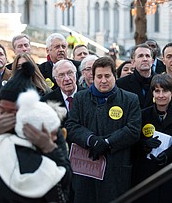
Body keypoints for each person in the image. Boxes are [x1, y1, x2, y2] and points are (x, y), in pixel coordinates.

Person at [0, 61, 72, 203]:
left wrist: (48, 147)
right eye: (1, 110)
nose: (4, 116)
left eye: (11, 112)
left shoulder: (46, 128)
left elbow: (65, 177)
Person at [65, 56, 141, 203]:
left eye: (107, 76)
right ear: (93, 77)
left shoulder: (130, 99)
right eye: (99, 76)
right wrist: (91, 140)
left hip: (116, 170)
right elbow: (71, 126)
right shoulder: (80, 98)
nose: (103, 80)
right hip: (85, 171)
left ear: (115, 76)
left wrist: (107, 142)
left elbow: (133, 130)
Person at [132, 73, 172, 203]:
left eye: (165, 91)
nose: (161, 95)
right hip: (146, 176)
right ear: (152, 93)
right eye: (157, 91)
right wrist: (145, 145)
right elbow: (133, 141)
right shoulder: (143, 114)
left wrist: (168, 154)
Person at [41, 59, 83, 127]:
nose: (67, 78)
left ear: (76, 74)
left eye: (70, 73)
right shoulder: (46, 102)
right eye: (61, 75)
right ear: (55, 79)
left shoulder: (89, 96)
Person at [117, 43, 155, 109]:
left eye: (147, 56)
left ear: (152, 61)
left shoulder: (162, 82)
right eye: (140, 56)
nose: (145, 59)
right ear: (133, 62)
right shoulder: (121, 84)